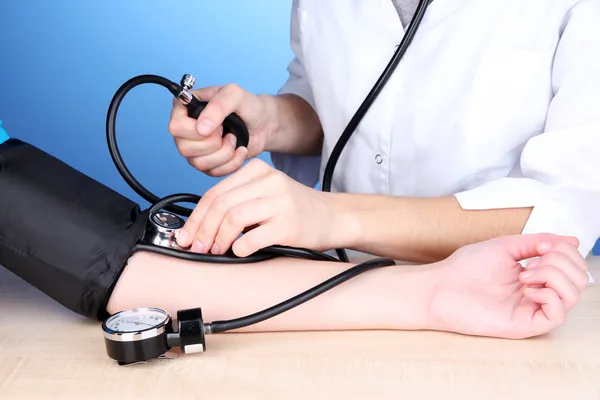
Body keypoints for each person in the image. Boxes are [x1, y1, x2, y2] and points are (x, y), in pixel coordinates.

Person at [166, 1, 600, 275]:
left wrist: (332, 217)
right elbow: (336, 101)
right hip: (340, 285)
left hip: (506, 292)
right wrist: (269, 121)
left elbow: (565, 208)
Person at [106, 233, 589, 340]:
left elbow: (126, 275)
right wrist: (272, 118)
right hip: (349, 270)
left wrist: (337, 216)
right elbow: (321, 93)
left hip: (493, 273)